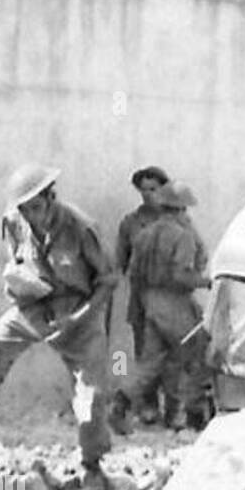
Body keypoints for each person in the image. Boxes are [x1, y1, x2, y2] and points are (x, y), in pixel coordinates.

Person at [0, 163, 117, 490]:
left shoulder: (80, 228)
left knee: (90, 399)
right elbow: (16, 261)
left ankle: (92, 466)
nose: (30, 216)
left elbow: (108, 280)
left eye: (35, 207)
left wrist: (79, 319)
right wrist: (19, 284)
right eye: (24, 209)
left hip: (78, 312)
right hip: (33, 308)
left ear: (50, 198)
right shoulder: (14, 221)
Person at [126, 179, 213, 431]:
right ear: (180, 210)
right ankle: (194, 415)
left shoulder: (144, 234)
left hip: (149, 302)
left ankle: (121, 402)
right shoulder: (182, 236)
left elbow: (133, 271)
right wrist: (206, 282)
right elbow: (180, 275)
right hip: (175, 301)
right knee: (196, 354)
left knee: (151, 362)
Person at [110, 165, 169, 432]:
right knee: (145, 351)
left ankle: (172, 407)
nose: (148, 195)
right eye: (143, 190)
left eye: (153, 189)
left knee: (168, 354)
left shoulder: (175, 219)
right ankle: (147, 406)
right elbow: (120, 262)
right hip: (142, 296)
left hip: (171, 295)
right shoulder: (130, 223)